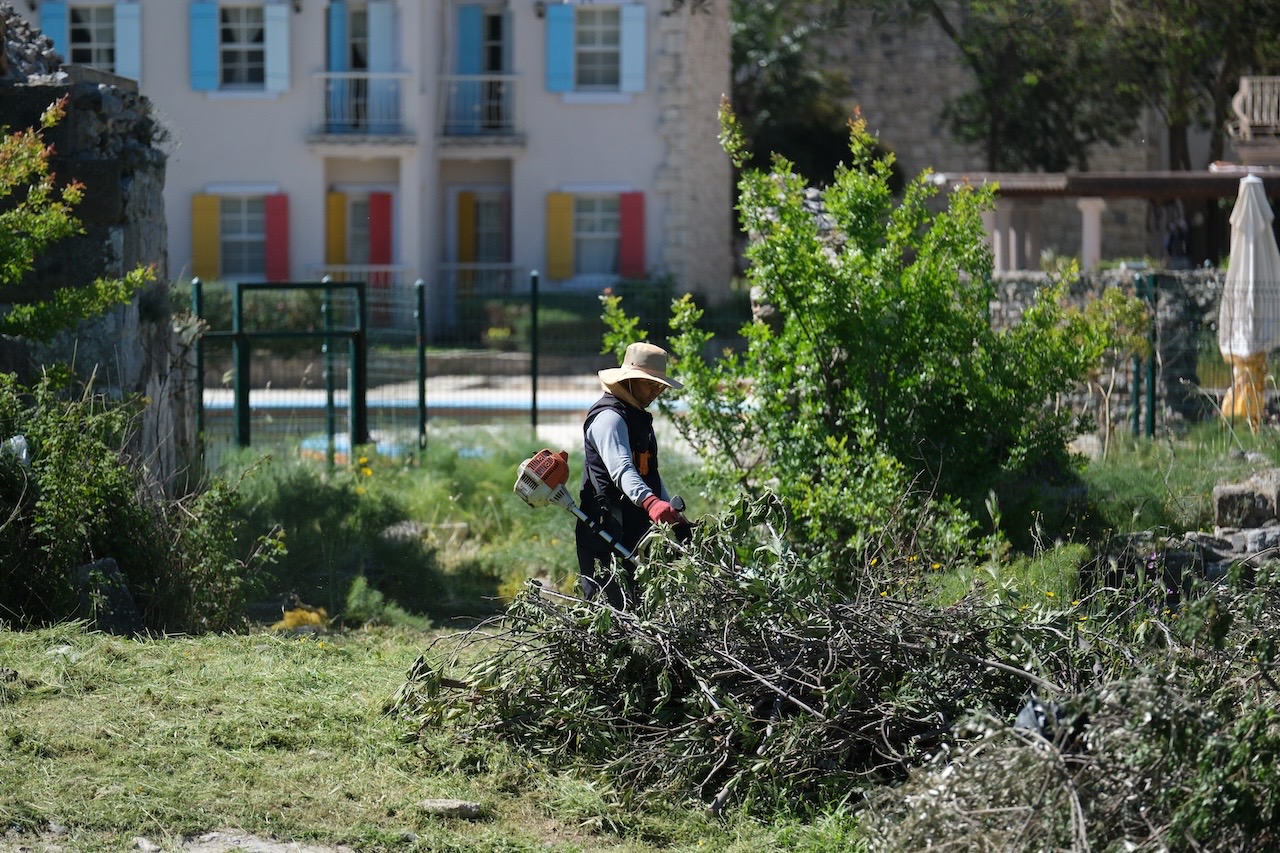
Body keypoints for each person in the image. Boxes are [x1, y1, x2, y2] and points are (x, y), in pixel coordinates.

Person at [576, 341, 684, 608]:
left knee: (642, 607)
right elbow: (621, 470)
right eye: (650, 383)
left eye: (660, 385)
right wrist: (651, 502)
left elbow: (650, 474)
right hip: (605, 531)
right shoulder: (610, 419)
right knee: (610, 611)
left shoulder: (638, 418)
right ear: (630, 380)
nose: (657, 391)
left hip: (635, 529)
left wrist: (669, 510)